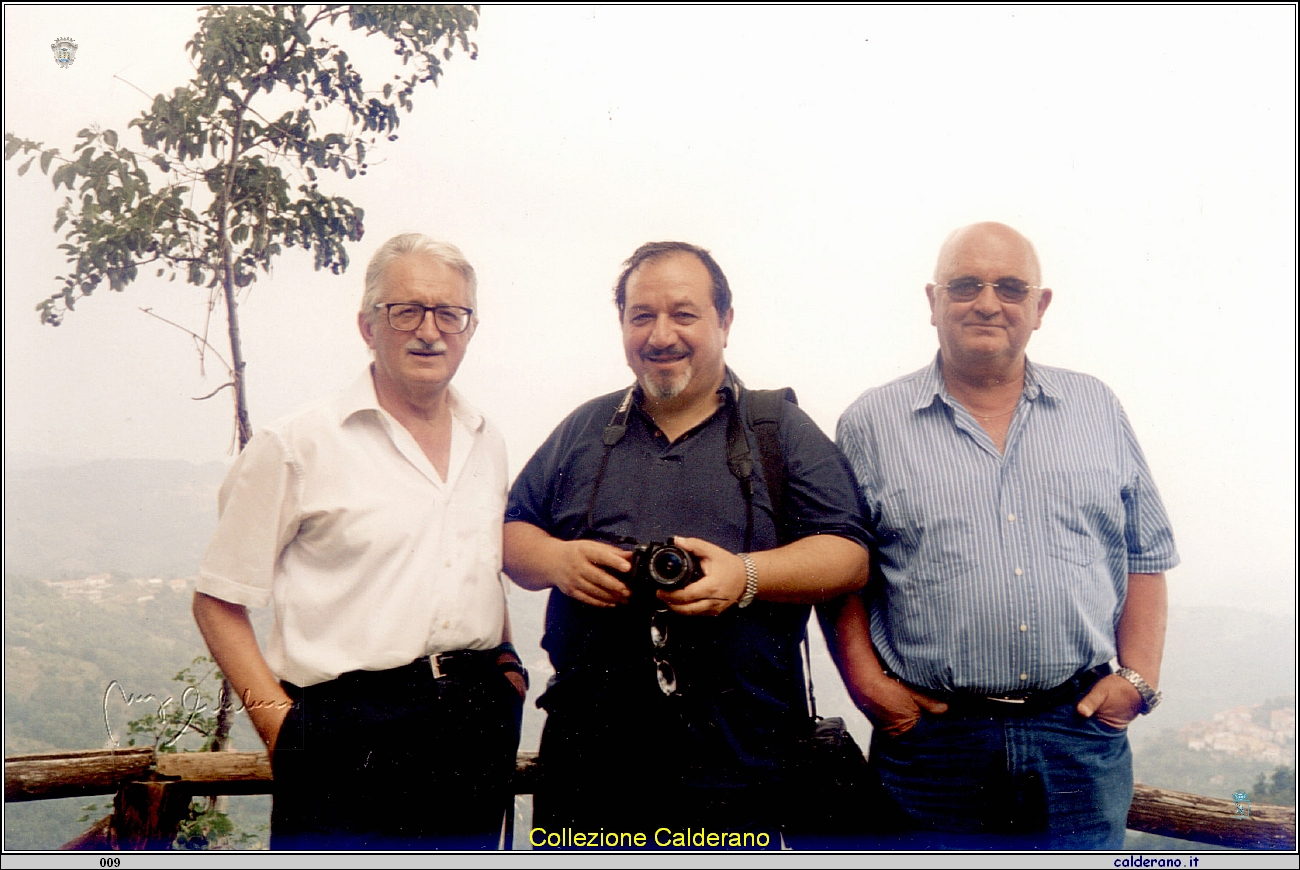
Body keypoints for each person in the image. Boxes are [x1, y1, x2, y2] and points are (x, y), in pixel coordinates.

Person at [504, 241, 870, 844]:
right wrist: (556, 559)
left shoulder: (776, 429)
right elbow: (513, 532)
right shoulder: (584, 429)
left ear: (725, 322)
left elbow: (849, 554)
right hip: (588, 769)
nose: (661, 334)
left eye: (684, 313)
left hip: (743, 770)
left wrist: (744, 576)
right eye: (641, 315)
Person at [829, 222, 1179, 849]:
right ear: (932, 301)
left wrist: (1139, 681)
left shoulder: (1096, 407)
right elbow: (839, 571)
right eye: (965, 286)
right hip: (932, 744)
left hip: (1077, 735)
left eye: (1010, 287)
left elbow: (1145, 550)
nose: (987, 302)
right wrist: (868, 686)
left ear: (1040, 308)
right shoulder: (869, 424)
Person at [192, 234, 526, 850]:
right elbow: (217, 601)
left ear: (470, 327)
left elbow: (477, 563)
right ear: (368, 325)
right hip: (346, 731)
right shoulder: (297, 444)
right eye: (407, 311)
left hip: (475, 720)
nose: (430, 330)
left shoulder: (488, 439)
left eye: (450, 313)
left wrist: (507, 665)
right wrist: (284, 731)